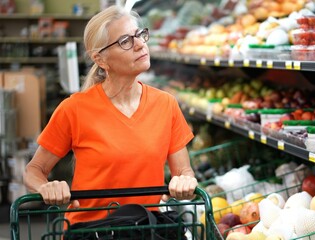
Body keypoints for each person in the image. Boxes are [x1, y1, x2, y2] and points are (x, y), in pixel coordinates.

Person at [23, 5, 197, 225]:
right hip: (90, 231)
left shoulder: (166, 104)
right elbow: (34, 169)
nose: (140, 44)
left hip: (144, 229)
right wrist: (46, 187)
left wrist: (185, 183)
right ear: (100, 59)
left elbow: (184, 171)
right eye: (125, 41)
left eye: (140, 35)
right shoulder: (74, 109)